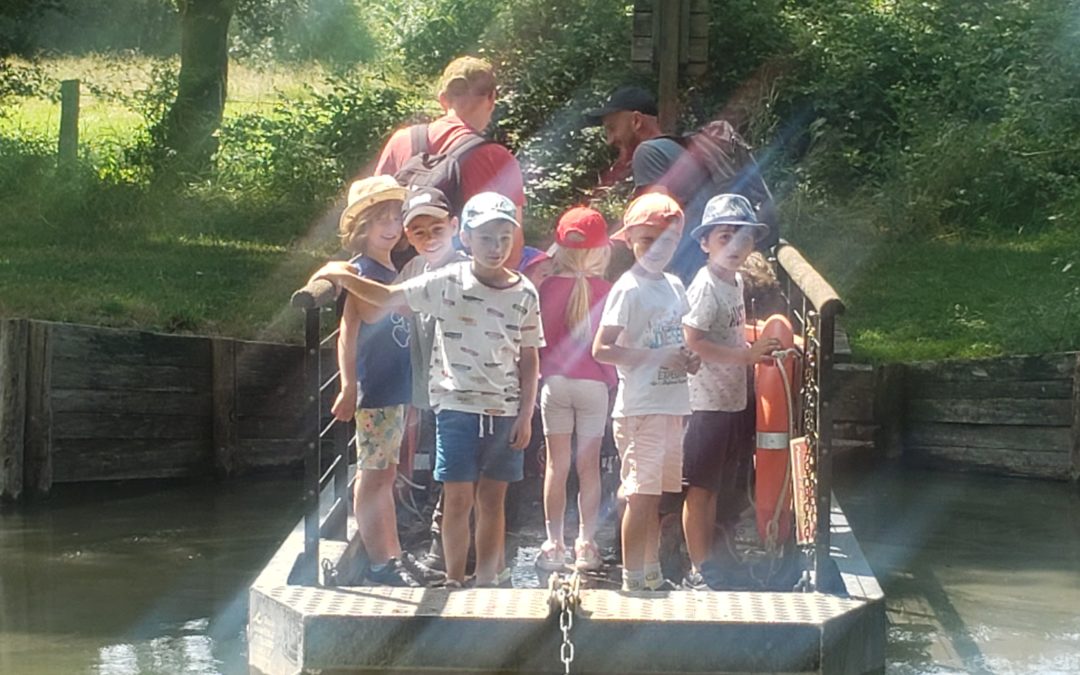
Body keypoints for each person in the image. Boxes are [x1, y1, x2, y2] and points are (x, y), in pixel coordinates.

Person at [312, 192, 544, 588]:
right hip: (455, 408)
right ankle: (454, 580)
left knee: (493, 501)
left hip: (504, 411)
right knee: (457, 499)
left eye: (504, 238)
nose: (496, 247)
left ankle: (488, 580)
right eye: (486, 238)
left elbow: (530, 357)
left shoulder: (524, 292)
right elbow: (383, 300)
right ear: (467, 238)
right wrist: (340, 275)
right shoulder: (443, 280)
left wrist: (526, 413)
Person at [592, 193, 700, 592]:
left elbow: (676, 343)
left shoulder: (674, 285)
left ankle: (652, 573)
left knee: (655, 496)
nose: (657, 249)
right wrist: (658, 357)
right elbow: (601, 349)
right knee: (639, 495)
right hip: (640, 407)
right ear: (630, 240)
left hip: (672, 404)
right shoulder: (628, 288)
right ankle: (631, 579)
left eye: (667, 241)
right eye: (647, 240)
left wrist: (688, 360)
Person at [679, 194, 780, 590]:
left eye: (744, 239)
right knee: (700, 489)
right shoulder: (706, 286)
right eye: (725, 238)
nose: (736, 247)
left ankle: (712, 561)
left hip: (729, 398)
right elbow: (693, 341)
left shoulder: (734, 281)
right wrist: (746, 356)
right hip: (703, 403)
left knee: (717, 485)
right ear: (705, 243)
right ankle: (699, 568)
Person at [584, 86, 776, 285]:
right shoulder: (677, 149)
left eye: (612, 128)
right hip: (723, 268)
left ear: (636, 121)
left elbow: (655, 222)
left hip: (690, 274)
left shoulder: (647, 153)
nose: (609, 140)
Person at [329, 175, 421, 587]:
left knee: (386, 473)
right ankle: (381, 562)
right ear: (360, 227)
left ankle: (393, 554)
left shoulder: (385, 268)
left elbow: (349, 328)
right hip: (378, 388)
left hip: (394, 385)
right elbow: (362, 320)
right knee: (373, 474)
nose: (391, 225)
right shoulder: (363, 271)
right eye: (380, 218)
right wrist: (350, 385)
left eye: (396, 217)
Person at [374, 56, 528, 270]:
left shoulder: (401, 140)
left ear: (443, 99)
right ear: (492, 98)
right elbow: (510, 246)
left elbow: (371, 214)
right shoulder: (497, 158)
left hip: (398, 284)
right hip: (457, 293)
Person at [393, 186, 469, 578]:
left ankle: (446, 549)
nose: (429, 237)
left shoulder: (465, 269)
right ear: (408, 237)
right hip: (428, 387)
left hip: (460, 389)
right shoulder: (413, 270)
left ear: (454, 226)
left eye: (437, 227)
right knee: (436, 463)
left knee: (453, 468)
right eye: (418, 231)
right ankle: (437, 537)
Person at [535, 207, 617, 572]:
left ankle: (554, 544)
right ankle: (586, 544)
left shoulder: (544, 288)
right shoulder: (609, 291)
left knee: (556, 465)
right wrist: (610, 380)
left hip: (554, 384)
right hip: (593, 386)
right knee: (589, 469)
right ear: (603, 251)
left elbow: (536, 342)